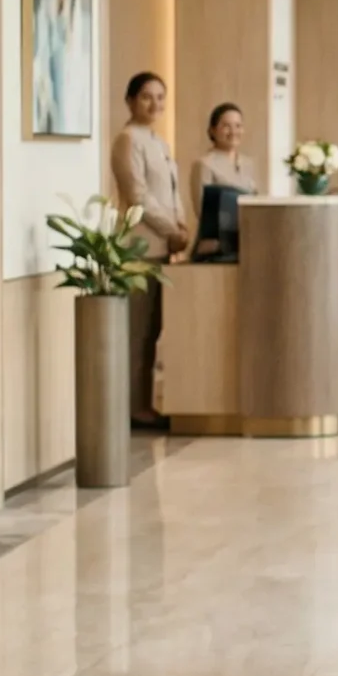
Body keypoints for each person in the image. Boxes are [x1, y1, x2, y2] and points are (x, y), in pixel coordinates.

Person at [111, 71, 186, 428]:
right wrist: (172, 230)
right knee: (137, 330)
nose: (155, 104)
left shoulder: (159, 141)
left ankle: (144, 401)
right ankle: (131, 406)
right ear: (129, 101)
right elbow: (139, 195)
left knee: (154, 330)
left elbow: (171, 192)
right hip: (140, 245)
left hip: (163, 246)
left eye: (160, 97)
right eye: (146, 97)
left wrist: (181, 226)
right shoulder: (128, 140)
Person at [190, 102, 260, 201]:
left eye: (238, 126)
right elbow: (202, 209)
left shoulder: (248, 163)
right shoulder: (204, 164)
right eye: (226, 126)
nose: (233, 132)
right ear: (212, 130)